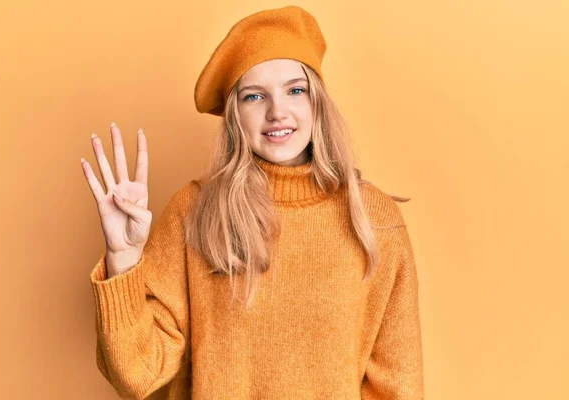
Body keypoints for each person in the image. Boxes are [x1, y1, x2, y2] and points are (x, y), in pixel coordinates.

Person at [81, 5, 424, 400]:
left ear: (317, 103)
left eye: (296, 90)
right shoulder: (193, 212)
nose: (278, 112)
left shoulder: (373, 218)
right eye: (254, 96)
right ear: (234, 116)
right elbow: (136, 375)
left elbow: (398, 388)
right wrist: (121, 256)